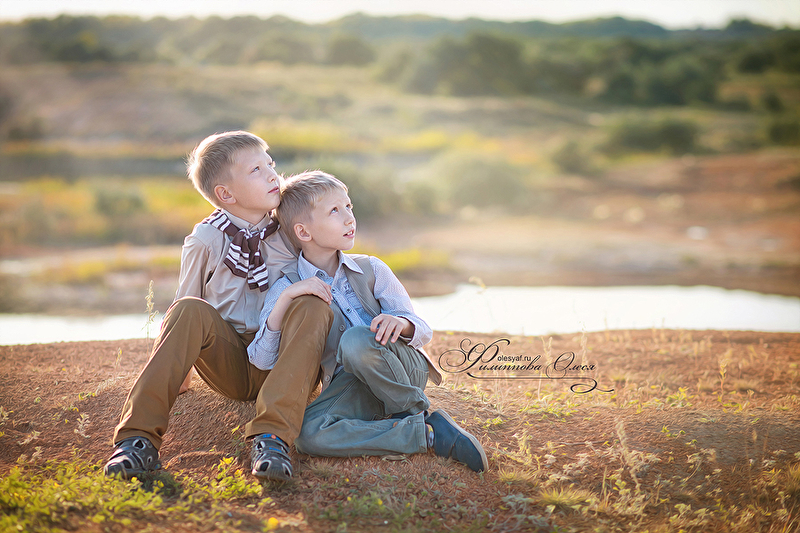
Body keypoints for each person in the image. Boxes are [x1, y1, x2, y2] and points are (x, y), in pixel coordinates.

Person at [104, 131, 333, 482]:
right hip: (231, 363)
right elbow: (182, 309)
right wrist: (180, 375)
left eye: (271, 164)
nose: (272, 175)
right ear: (226, 194)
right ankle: (137, 441)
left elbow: (334, 273)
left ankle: (272, 439)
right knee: (189, 308)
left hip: (285, 359)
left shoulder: (291, 229)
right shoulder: (206, 239)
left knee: (313, 302)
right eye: (256, 170)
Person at [247, 170, 488, 473]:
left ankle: (415, 411)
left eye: (349, 207)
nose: (349, 218)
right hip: (351, 385)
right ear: (304, 232)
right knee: (309, 434)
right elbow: (262, 359)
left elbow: (422, 329)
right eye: (335, 211)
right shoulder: (287, 287)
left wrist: (401, 323)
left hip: (399, 369)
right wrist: (285, 299)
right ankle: (426, 433)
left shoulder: (372, 268)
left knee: (356, 340)